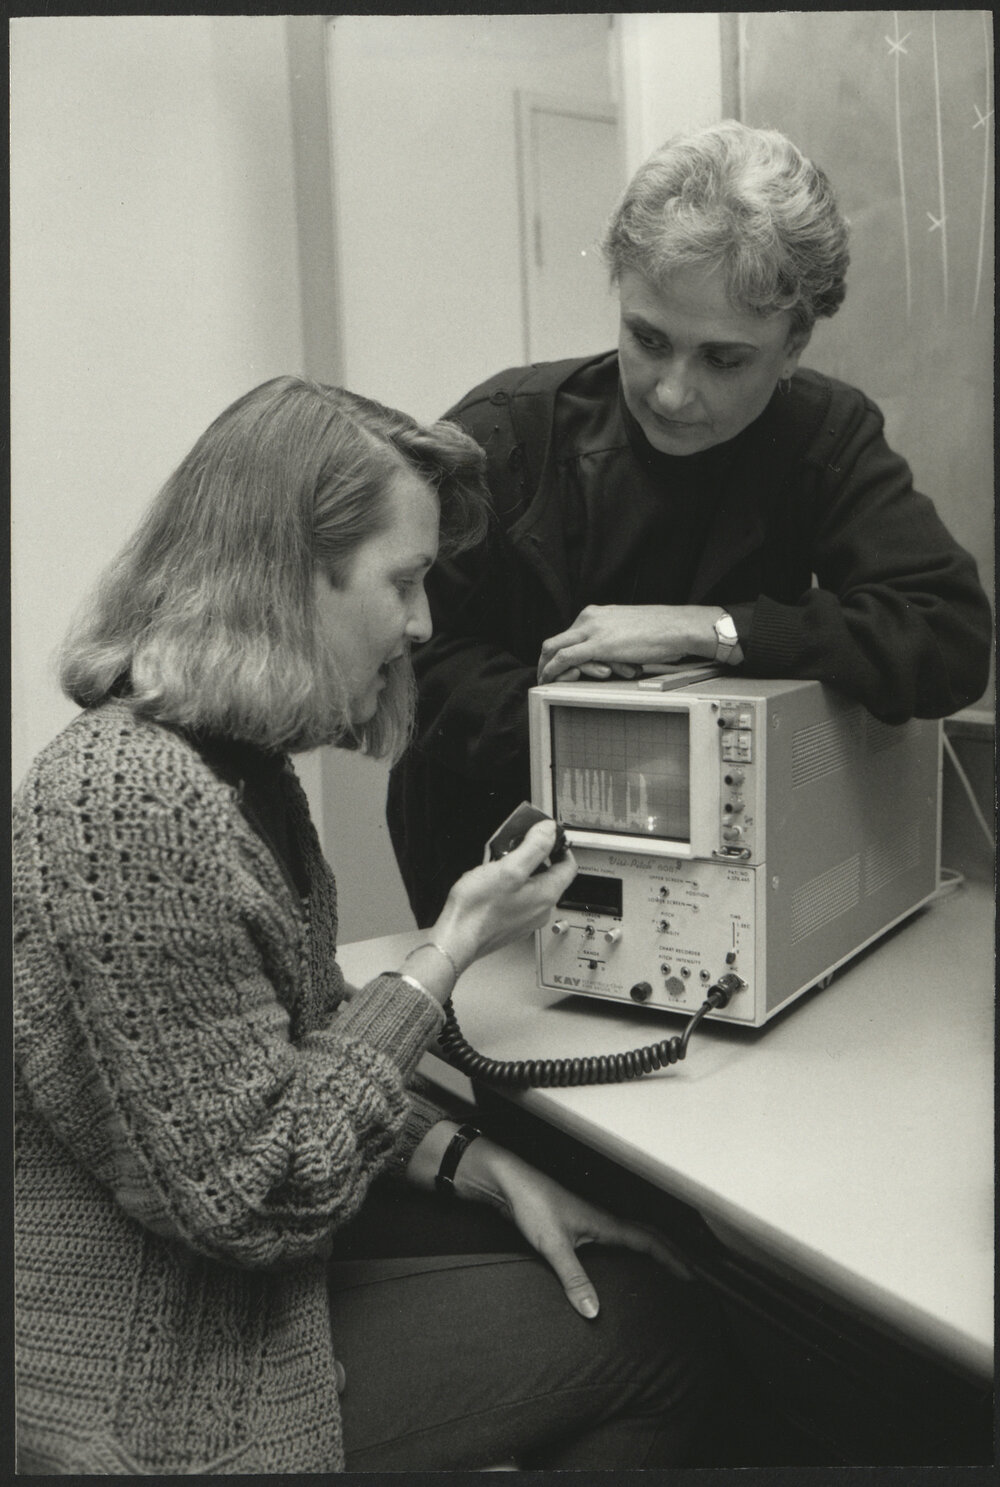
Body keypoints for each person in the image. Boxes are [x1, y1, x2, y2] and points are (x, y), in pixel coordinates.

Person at [13, 376, 721, 1475]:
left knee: (629, 1248)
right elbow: (257, 1196)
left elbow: (280, 1052)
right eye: (405, 580)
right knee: (655, 1336)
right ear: (290, 573)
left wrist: (472, 1165)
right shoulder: (130, 799)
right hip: (161, 1363)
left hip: (222, 1263)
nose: (423, 623)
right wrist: (446, 951)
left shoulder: (231, 765)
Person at [386, 120, 994, 926]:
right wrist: (617, 735)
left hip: (718, 887)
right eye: (648, 339)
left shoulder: (824, 437)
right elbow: (411, 661)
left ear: (795, 344)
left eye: (723, 359)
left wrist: (708, 630)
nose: (671, 393)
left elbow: (944, 636)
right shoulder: (506, 431)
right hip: (487, 865)